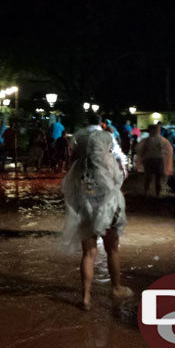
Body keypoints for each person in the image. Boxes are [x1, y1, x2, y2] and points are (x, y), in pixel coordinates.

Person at [62, 114, 132, 310]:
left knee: (88, 253)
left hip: (85, 206)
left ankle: (85, 297)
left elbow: (69, 185)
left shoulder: (79, 169)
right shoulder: (109, 162)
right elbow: (120, 180)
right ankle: (116, 288)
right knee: (112, 250)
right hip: (109, 208)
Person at [136, 124, 174, 197]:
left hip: (149, 160)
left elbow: (140, 150)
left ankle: (147, 193)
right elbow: (168, 151)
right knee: (157, 178)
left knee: (149, 177)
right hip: (158, 160)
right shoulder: (163, 140)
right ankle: (157, 194)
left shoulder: (147, 140)